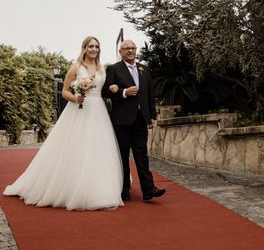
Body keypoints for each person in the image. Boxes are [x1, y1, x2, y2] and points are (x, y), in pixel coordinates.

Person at [3, 36, 123, 210]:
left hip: (98, 111)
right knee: (76, 148)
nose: (94, 49)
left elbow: (104, 89)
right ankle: (71, 187)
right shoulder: (76, 67)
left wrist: (113, 88)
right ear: (84, 48)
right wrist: (76, 98)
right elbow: (65, 91)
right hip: (79, 110)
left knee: (98, 149)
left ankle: (99, 189)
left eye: (97, 46)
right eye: (91, 46)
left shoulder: (102, 68)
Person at [102, 40, 165, 202]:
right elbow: (105, 91)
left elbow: (150, 94)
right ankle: (123, 190)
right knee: (122, 156)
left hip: (140, 119)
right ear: (120, 51)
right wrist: (123, 92)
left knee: (142, 155)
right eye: (127, 48)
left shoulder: (144, 69)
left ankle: (148, 189)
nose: (130, 51)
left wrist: (152, 116)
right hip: (121, 120)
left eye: (133, 48)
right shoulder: (114, 69)